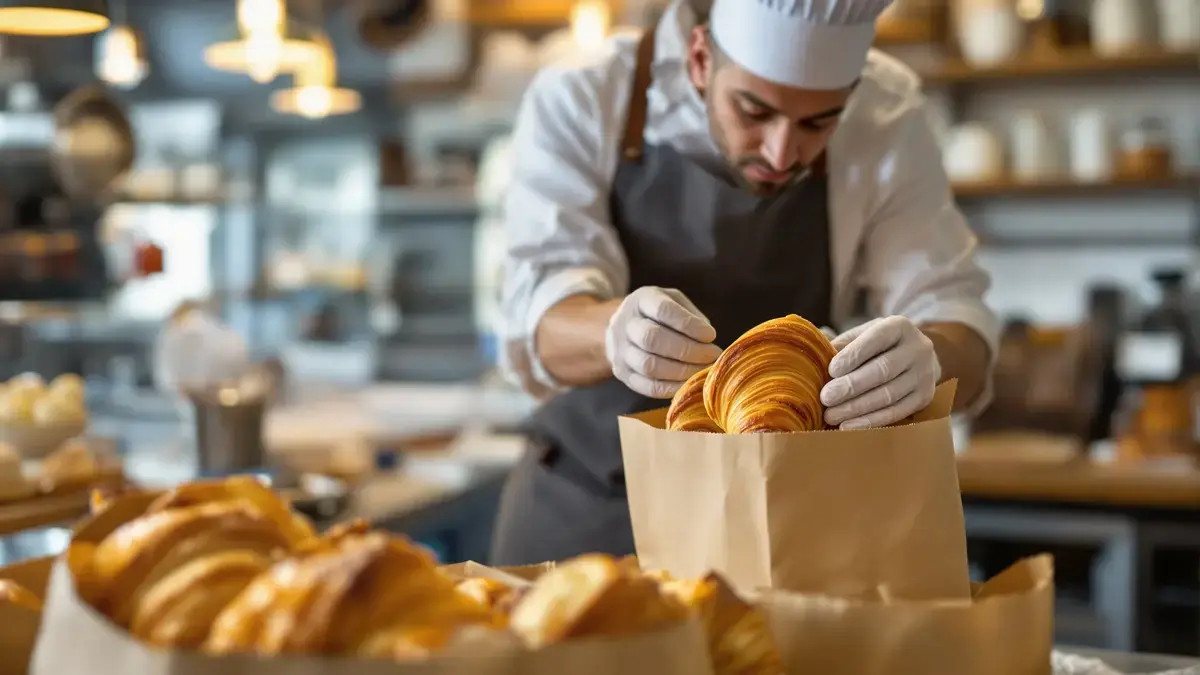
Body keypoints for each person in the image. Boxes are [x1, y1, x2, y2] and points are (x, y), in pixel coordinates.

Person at [489, 0, 1000, 566]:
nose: (783, 153)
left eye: (818, 122)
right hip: (588, 513)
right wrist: (613, 332)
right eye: (754, 111)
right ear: (702, 59)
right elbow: (538, 322)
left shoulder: (888, 113)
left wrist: (930, 362)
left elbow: (958, 319)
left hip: (784, 521)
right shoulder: (584, 97)